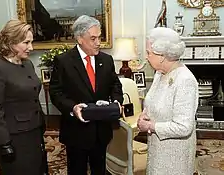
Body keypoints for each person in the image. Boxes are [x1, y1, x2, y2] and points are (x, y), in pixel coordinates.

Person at [49, 15, 123, 175]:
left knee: (99, 170)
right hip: (76, 131)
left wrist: (116, 102)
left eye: (100, 37)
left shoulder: (107, 60)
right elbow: (56, 93)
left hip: (101, 130)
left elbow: (115, 85)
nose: (98, 43)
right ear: (80, 39)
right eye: (93, 38)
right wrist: (72, 107)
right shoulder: (64, 61)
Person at [0, 19, 48, 175]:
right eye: (26, 43)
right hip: (15, 137)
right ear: (10, 41)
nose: (31, 48)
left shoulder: (28, 64)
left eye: (31, 42)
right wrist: (3, 143)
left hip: (34, 130)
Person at [137, 27, 198, 175]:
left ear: (162, 56)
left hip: (175, 156)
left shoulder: (185, 80)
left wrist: (150, 125)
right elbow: (153, 102)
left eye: (148, 53)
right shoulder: (160, 73)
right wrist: (144, 115)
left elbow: (184, 127)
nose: (146, 57)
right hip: (157, 150)